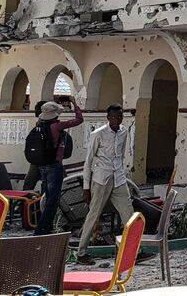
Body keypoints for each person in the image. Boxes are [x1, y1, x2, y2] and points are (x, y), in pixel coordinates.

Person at [76, 104, 133, 265]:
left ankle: (132, 251)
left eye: (120, 117)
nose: (117, 120)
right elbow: (88, 162)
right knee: (94, 214)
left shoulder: (124, 132)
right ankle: (81, 252)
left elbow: (121, 155)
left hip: (119, 178)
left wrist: (121, 173)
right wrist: (86, 188)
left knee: (129, 214)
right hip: (101, 178)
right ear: (108, 118)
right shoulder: (98, 134)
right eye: (114, 117)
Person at [34, 101, 83, 235]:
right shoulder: (56, 126)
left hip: (42, 165)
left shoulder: (39, 125)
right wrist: (75, 104)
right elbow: (79, 120)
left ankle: (45, 227)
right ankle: (42, 230)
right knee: (52, 200)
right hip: (54, 166)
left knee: (48, 197)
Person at [22, 100, 47, 192]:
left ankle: (26, 202)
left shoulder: (43, 126)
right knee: (32, 182)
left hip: (41, 159)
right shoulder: (44, 125)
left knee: (30, 183)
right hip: (41, 159)